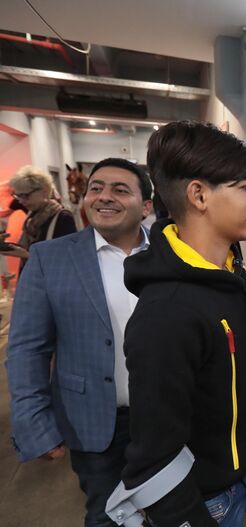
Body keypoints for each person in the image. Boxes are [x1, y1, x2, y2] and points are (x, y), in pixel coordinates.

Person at [118, 121, 246, 526]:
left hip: (238, 478)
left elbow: (242, 369)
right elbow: (152, 459)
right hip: (205, 504)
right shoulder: (168, 313)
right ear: (199, 195)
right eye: (244, 186)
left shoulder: (226, 268)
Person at [5, 158, 154, 526]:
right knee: (109, 515)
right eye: (96, 188)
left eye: (120, 189)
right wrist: (34, 423)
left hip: (172, 418)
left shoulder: (169, 255)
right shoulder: (51, 258)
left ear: (147, 206)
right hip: (97, 422)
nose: (104, 197)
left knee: (175, 512)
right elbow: (27, 349)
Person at [7, 165, 78, 270]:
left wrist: (26, 255)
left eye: (26, 195)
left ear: (45, 191)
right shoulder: (31, 216)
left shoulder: (62, 218)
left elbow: (67, 259)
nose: (21, 201)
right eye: (18, 196)